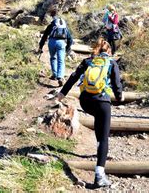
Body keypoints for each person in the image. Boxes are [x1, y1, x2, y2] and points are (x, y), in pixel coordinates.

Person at [56, 38, 124, 188]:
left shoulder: (87, 61)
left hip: (85, 101)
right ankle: (100, 175)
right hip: (102, 102)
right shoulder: (111, 63)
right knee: (103, 138)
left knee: (97, 119)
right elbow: (117, 84)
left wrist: (62, 94)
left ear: (95, 49)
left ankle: (99, 150)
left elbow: (74, 76)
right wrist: (119, 97)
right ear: (109, 52)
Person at [38, 7, 73, 86]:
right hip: (61, 43)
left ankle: (54, 75)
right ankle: (60, 77)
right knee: (61, 60)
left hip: (52, 42)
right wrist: (68, 48)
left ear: (52, 16)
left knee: (53, 58)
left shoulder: (52, 24)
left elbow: (44, 36)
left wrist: (40, 46)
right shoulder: (64, 25)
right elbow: (70, 39)